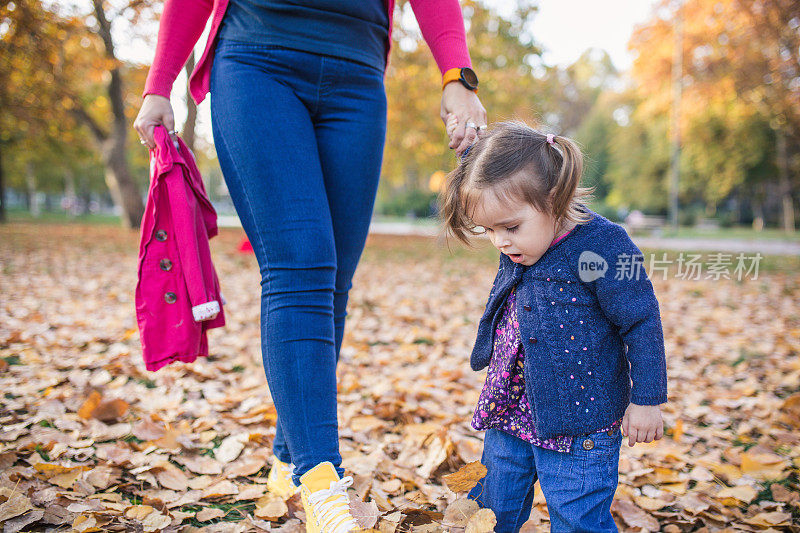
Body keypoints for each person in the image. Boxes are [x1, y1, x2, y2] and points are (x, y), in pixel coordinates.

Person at [133, 1, 486, 531]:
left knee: (336, 278)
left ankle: (288, 458)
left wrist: (456, 74)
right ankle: (323, 483)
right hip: (257, 60)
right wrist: (159, 83)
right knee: (301, 264)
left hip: (358, 74)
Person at [439, 121, 668, 532]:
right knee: (494, 507)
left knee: (577, 516)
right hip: (511, 408)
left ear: (553, 199)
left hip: (581, 418)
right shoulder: (522, 243)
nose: (500, 242)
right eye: (488, 230)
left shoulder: (602, 246)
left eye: (509, 227)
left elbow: (641, 320)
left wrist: (647, 398)